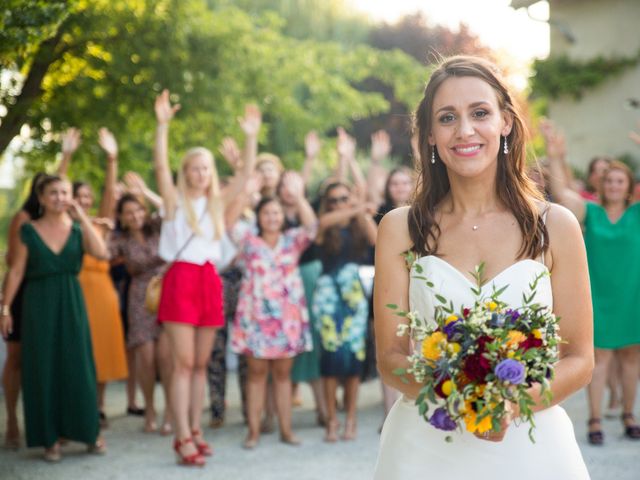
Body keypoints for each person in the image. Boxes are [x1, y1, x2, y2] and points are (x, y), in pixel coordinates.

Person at [373, 56, 593, 479]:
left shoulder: (555, 226)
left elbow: (580, 358)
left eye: (480, 113)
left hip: (531, 449)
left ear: (505, 122)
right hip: (425, 448)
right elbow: (390, 358)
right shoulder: (400, 228)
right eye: (447, 118)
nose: (465, 131)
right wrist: (460, 395)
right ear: (431, 135)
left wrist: (509, 403)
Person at [153, 90, 258, 466]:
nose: (201, 173)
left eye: (206, 167)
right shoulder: (173, 201)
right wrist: (162, 126)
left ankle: (194, 429)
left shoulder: (216, 205)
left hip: (209, 280)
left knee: (200, 363)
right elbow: (161, 168)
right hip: (181, 279)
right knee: (182, 364)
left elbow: (245, 175)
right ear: (186, 172)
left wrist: (249, 137)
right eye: (195, 167)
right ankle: (181, 435)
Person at [1, 175, 108, 462]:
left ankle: (89, 431)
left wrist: (82, 216)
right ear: (42, 197)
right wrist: (6, 308)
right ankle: (49, 439)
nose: (60, 197)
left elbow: (102, 252)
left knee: (79, 365)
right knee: (42, 368)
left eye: (65, 192)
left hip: (72, 301)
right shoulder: (29, 230)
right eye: (54, 193)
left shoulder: (76, 229)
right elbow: (16, 271)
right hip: (38, 303)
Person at [545, 131, 640, 444]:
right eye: (609, 181)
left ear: (628, 186)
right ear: (602, 185)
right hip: (598, 295)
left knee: (630, 360)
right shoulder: (591, 213)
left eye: (619, 181)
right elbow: (561, 192)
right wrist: (556, 155)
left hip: (632, 295)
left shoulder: (638, 213)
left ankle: (629, 414)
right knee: (599, 362)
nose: (613, 185)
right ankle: (595, 419)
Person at [231, 182, 317, 449]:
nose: (272, 218)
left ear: (283, 217)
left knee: (283, 376)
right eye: (266, 213)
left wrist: (299, 196)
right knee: (256, 376)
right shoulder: (248, 241)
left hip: (286, 319)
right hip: (254, 317)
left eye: (277, 213)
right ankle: (253, 432)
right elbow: (227, 221)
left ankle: (286, 430)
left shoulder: (293, 240)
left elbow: (312, 226)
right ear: (258, 216)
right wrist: (245, 190)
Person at [313, 176, 377, 443]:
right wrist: (357, 206)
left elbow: (375, 238)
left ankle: (350, 419)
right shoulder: (324, 225)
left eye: (343, 198)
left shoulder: (358, 224)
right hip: (327, 298)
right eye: (333, 200)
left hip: (353, 297)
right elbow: (322, 223)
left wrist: (359, 213)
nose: (339, 204)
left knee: (352, 362)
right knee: (330, 362)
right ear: (326, 204)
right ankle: (332, 421)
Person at [72, 128, 129, 426]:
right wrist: (66, 156)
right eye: (78, 196)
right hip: (77, 294)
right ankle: (77, 406)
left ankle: (99, 406)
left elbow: (109, 194)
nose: (83, 200)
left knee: (102, 350)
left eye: (86, 197)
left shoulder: (100, 225)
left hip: (103, 295)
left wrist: (112, 159)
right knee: (79, 351)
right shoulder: (64, 228)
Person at [110, 192, 173, 435]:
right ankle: (149, 409)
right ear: (122, 217)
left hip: (167, 291)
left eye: (139, 210)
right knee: (145, 359)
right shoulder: (121, 240)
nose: (135, 216)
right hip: (139, 298)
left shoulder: (158, 226)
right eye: (129, 212)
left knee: (167, 358)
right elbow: (101, 251)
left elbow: (169, 208)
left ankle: (170, 411)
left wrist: (145, 192)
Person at [1, 172, 45, 450]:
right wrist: (6, 306)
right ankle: (12, 420)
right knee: (16, 357)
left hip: (47, 294)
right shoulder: (24, 219)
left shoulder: (66, 221)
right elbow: (12, 262)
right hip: (21, 292)